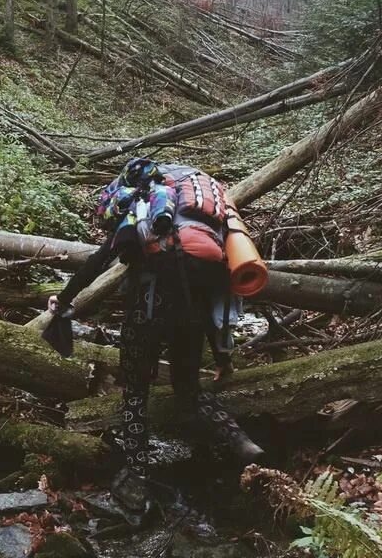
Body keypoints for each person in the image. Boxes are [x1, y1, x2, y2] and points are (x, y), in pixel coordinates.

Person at [46, 157, 263, 513]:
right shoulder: (206, 219)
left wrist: (66, 299)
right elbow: (217, 297)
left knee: (135, 392)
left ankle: (137, 474)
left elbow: (100, 260)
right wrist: (223, 356)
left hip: (149, 304)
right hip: (193, 308)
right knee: (188, 389)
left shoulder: (143, 206)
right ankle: (239, 439)